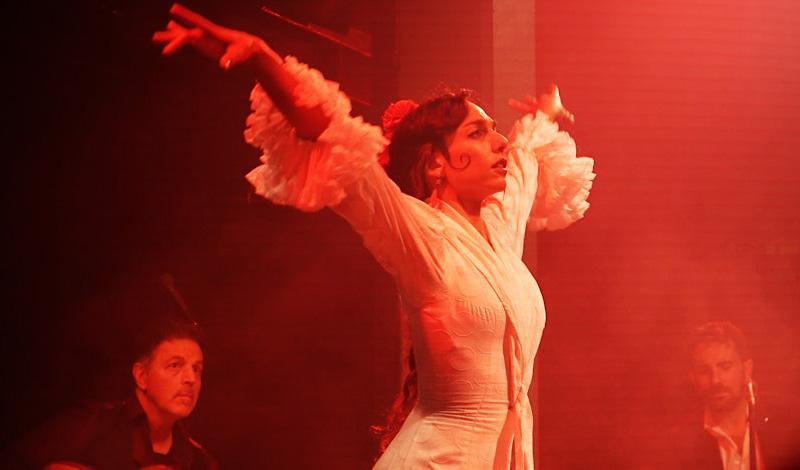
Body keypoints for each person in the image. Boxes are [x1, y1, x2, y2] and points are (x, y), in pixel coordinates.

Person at [152, 4, 595, 469]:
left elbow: (524, 156)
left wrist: (547, 113)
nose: (499, 142)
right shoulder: (418, 233)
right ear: (436, 162)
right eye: (478, 133)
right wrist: (263, 58)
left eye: (495, 132)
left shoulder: (502, 229)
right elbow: (331, 137)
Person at [6, 282, 216, 470]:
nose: (191, 378)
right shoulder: (89, 425)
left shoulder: (200, 461)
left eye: (197, 369)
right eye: (175, 365)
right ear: (141, 375)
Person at [662, 321, 800, 470]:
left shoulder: (790, 420)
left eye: (725, 367)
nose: (715, 380)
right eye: (704, 371)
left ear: (747, 370)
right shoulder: (677, 445)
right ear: (693, 378)